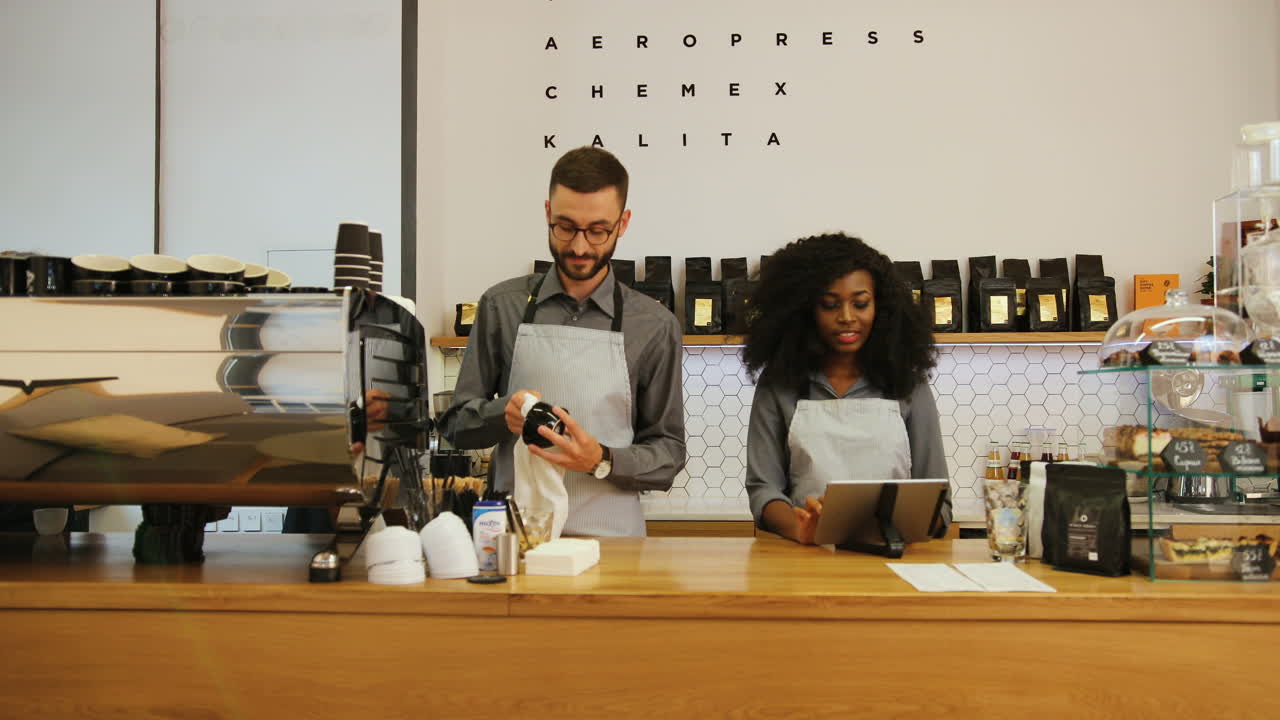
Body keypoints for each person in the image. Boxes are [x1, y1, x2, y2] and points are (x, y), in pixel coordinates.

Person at [439, 147, 685, 537]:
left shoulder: (654, 325)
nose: (580, 247)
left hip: (614, 543)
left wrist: (601, 459)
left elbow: (669, 454)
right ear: (547, 213)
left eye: (598, 230)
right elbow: (455, 427)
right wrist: (503, 414)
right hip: (515, 541)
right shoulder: (501, 306)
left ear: (623, 223)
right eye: (565, 227)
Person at [743, 233, 950, 544]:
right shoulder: (779, 385)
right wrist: (800, 527)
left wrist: (898, 523)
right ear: (805, 311)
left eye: (860, 303)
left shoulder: (908, 385)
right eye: (829, 305)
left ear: (881, 307)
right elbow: (763, 490)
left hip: (893, 562)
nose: (847, 318)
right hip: (806, 562)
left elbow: (939, 503)